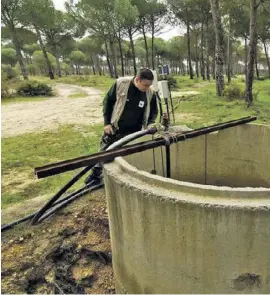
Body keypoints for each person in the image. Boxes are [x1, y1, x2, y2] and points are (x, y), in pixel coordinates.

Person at [85, 68, 158, 185]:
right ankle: (95, 176)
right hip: (115, 128)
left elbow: (154, 111)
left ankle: (123, 180)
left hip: (134, 132)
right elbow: (107, 102)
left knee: (126, 157)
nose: (147, 88)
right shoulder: (121, 84)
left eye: (149, 85)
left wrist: (150, 123)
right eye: (145, 85)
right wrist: (107, 123)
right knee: (104, 152)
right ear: (137, 80)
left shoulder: (150, 92)